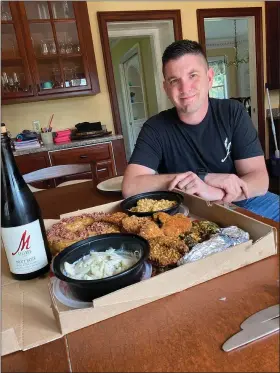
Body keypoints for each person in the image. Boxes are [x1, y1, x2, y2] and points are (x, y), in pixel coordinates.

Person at [122, 39, 279, 222]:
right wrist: (202, 178)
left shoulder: (232, 112)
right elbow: (130, 186)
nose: (185, 88)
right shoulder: (155, 128)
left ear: (210, 78)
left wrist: (211, 191)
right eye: (174, 80)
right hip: (190, 207)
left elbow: (260, 180)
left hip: (241, 199)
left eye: (193, 75)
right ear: (166, 88)